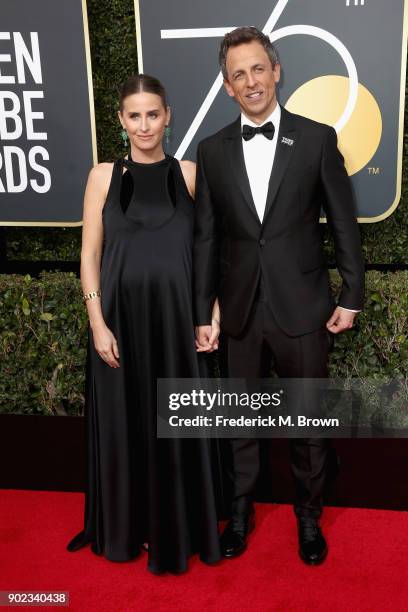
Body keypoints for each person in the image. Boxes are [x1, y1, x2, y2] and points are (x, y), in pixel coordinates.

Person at [194, 27, 365, 565]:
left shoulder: (316, 139)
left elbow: (343, 224)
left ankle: (309, 519)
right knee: (240, 421)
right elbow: (206, 240)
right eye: (239, 74)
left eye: (258, 69)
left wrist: (351, 292)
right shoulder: (212, 150)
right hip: (240, 311)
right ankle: (239, 515)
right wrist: (204, 311)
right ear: (227, 86)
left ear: (276, 72)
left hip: (304, 304)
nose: (251, 82)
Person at [66, 74, 222, 574]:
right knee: (125, 423)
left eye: (153, 114)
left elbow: (212, 252)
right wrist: (96, 321)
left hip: (178, 326)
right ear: (121, 120)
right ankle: (125, 528)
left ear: (168, 115)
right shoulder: (102, 176)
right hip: (120, 324)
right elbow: (90, 254)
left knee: (175, 425)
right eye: (134, 115)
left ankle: (174, 528)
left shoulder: (192, 174)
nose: (144, 125)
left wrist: (211, 311)